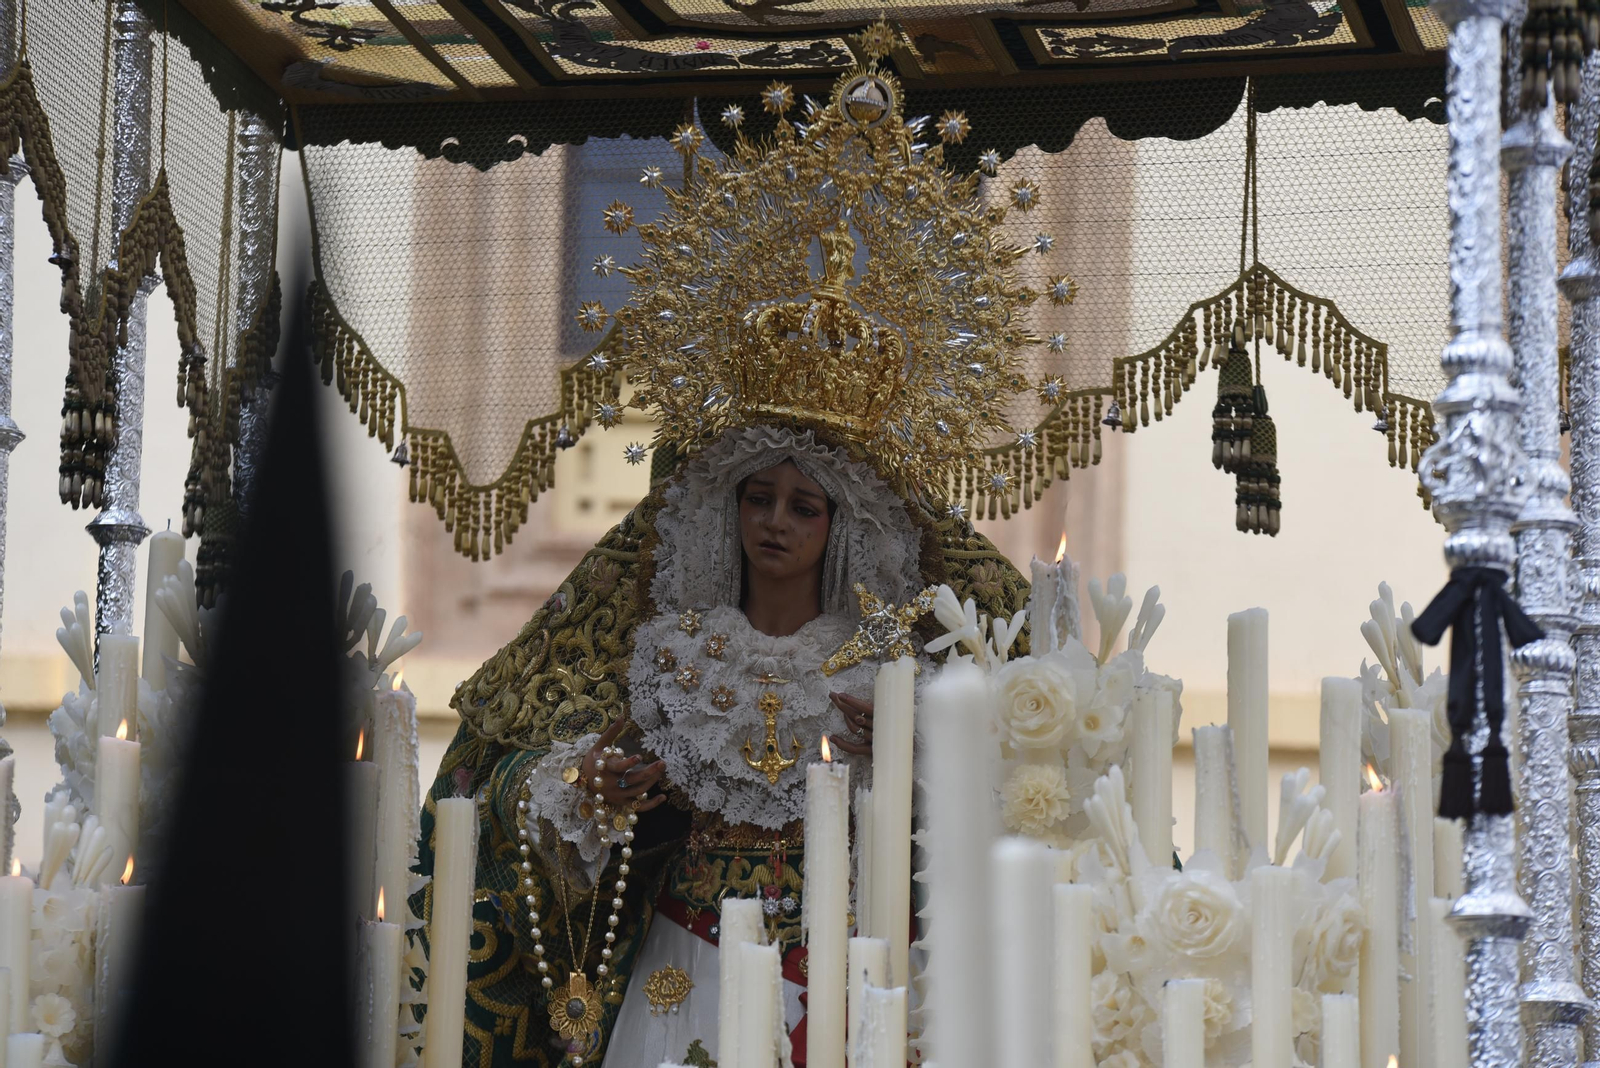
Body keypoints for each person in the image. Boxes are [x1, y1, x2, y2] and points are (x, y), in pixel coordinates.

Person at [414, 426, 1027, 1067]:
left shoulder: (890, 671)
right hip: (687, 954)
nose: (775, 522)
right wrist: (585, 783)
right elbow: (518, 774)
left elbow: (994, 812)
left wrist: (913, 752)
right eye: (758, 498)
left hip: (847, 965)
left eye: (803, 507)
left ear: (840, 523)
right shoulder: (665, 655)